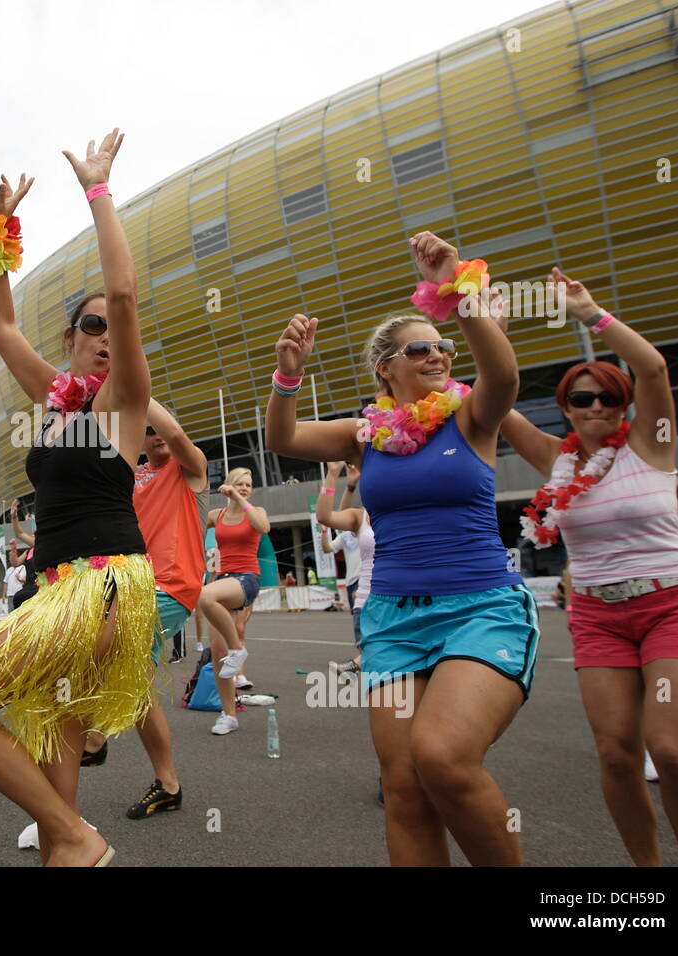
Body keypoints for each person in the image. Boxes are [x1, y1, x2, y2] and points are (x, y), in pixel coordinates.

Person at [0, 132, 153, 867]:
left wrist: (99, 189)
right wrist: (1, 236)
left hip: (100, 588)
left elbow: (122, 292)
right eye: (91, 328)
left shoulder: (123, 404)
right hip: (54, 586)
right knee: (53, 743)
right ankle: (67, 839)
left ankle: (75, 836)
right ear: (72, 339)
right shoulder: (52, 402)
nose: (106, 335)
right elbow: (0, 325)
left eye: (114, 329)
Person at [266, 231, 536, 866]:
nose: (439, 356)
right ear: (385, 367)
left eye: (442, 347)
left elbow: (503, 373)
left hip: (480, 610)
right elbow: (283, 438)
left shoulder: (472, 416)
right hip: (392, 621)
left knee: (443, 755)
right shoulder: (364, 436)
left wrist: (454, 288)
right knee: (404, 788)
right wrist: (287, 375)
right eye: (422, 348)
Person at [499, 267, 678, 866]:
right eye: (580, 398)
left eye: (608, 397)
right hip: (598, 613)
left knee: (670, 750)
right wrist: (488, 329)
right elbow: (498, 396)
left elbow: (654, 370)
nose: (595, 406)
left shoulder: (654, 441)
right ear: (566, 408)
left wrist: (590, 313)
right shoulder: (552, 459)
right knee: (617, 755)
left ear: (623, 404)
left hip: (675, 602)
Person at [123, 401, 211, 817]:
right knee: (137, 682)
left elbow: (175, 437)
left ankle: (91, 740)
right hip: (130, 585)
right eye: (148, 429)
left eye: (161, 426)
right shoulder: (132, 476)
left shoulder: (190, 468)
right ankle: (167, 783)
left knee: (106, 652)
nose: (157, 434)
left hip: (172, 585)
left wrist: (135, 389)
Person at [198, 467, 270, 736]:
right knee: (218, 656)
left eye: (248, 485)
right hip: (223, 578)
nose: (244, 488)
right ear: (228, 485)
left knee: (205, 595)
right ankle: (228, 715)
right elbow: (191, 523)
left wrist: (241, 500)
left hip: (246, 579)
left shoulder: (256, 511)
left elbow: (263, 528)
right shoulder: (218, 516)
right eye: (239, 484)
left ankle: (238, 649)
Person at [317, 461, 373, 675]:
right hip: (360, 591)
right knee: (368, 647)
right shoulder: (360, 518)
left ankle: (355, 666)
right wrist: (337, 477)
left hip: (393, 597)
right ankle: (357, 666)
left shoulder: (398, 514)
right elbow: (330, 517)